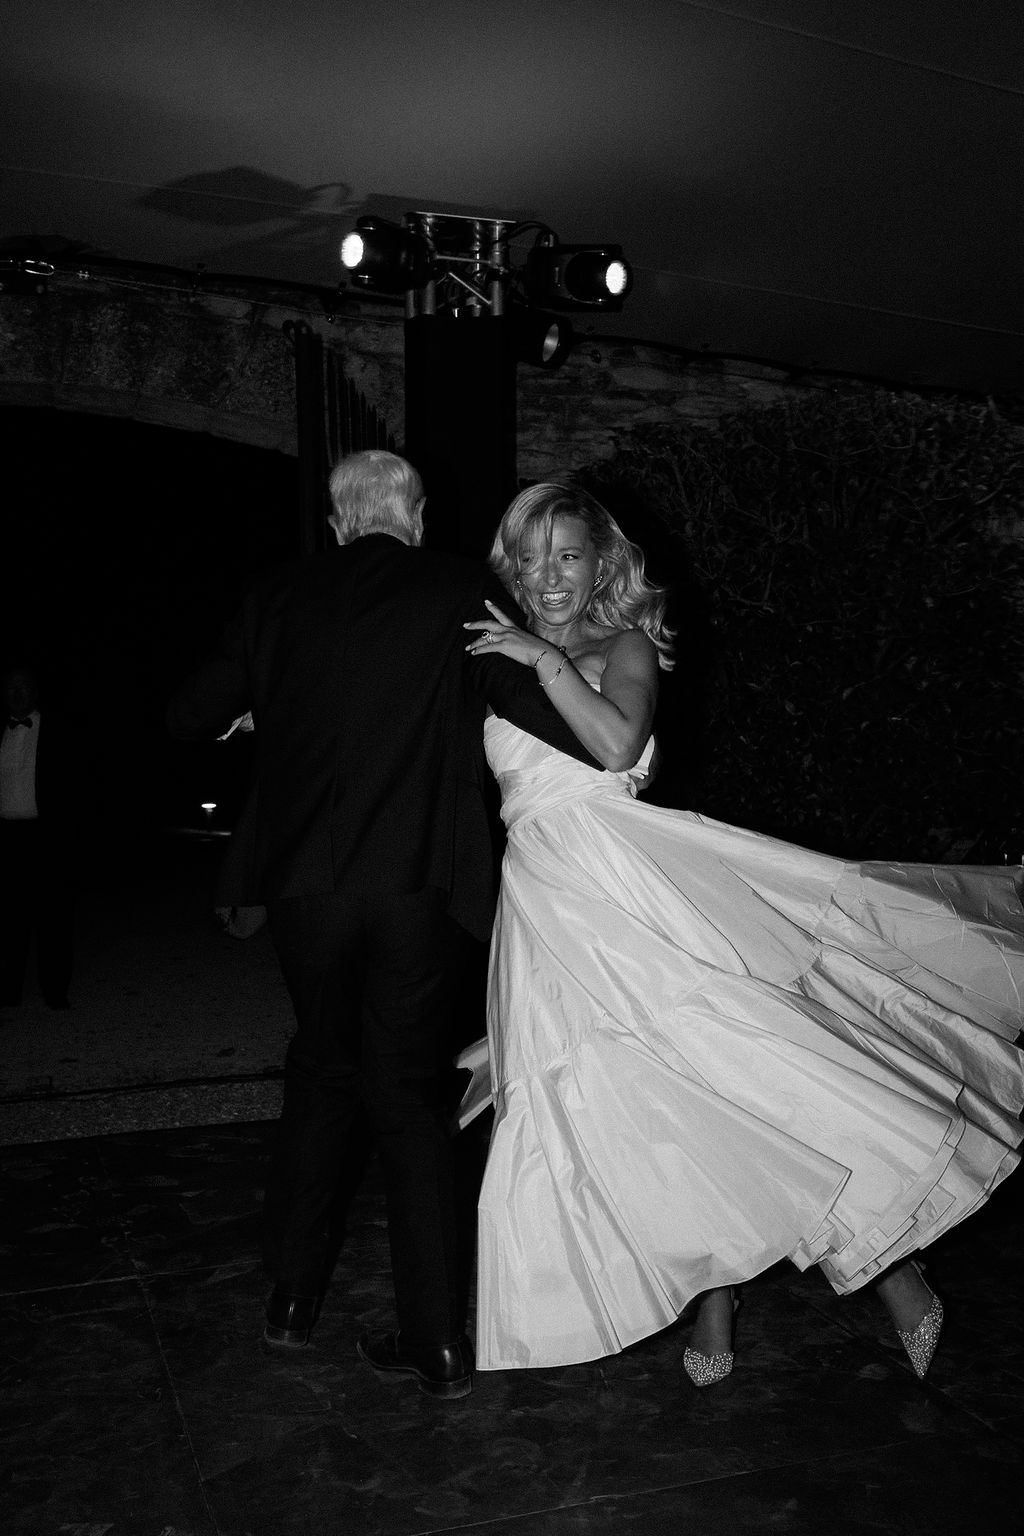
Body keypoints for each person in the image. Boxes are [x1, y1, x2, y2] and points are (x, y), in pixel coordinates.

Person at [462, 482, 1024, 1384]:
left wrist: (544, 660)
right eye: (533, 558)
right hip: (543, 901)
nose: (551, 575)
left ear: (602, 561)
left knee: (737, 1078)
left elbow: (614, 748)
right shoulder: (493, 661)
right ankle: (711, 1290)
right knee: (632, 1106)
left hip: (634, 887)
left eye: (569, 554)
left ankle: (889, 1267)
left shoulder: (622, 645)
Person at [166, 450, 600, 1400]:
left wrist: (261, 710)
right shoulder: (457, 590)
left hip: (306, 893)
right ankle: (438, 1340)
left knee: (321, 1068)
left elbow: (189, 712)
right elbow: (553, 721)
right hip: (415, 890)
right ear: (416, 513)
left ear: (334, 520)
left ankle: (291, 1297)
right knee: (408, 1097)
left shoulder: (278, 594)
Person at [0, 664, 79, 1011]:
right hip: (5, 839)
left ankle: (55, 992)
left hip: (45, 838)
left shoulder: (57, 730)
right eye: (11, 688)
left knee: (53, 919)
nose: (18, 693)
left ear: (35, 692)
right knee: (8, 919)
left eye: (24, 687)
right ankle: (8, 991)